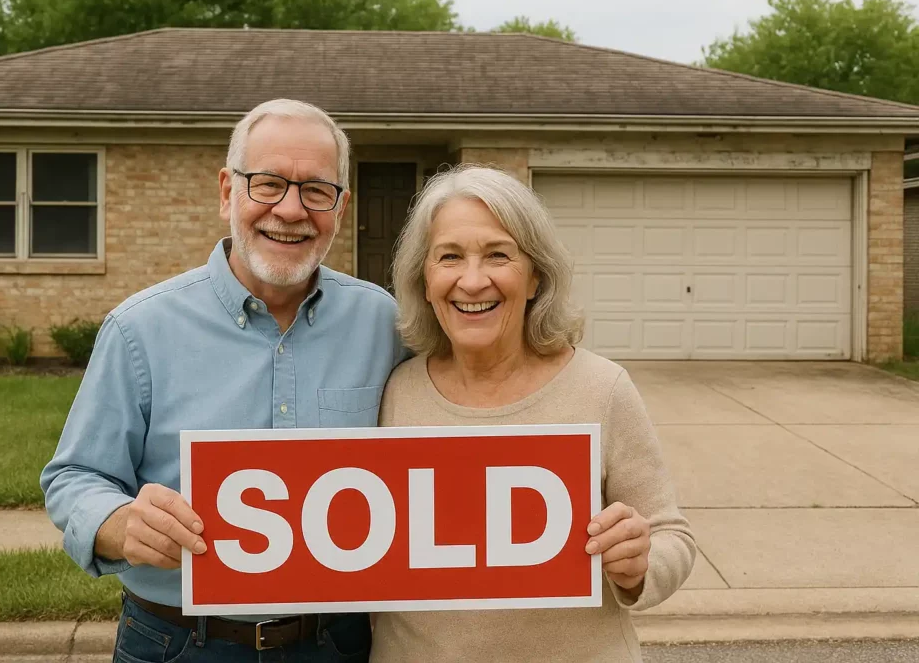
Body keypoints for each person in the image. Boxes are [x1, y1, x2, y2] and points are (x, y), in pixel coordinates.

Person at [41, 99, 407, 663]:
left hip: (338, 640)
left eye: (316, 190)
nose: (290, 210)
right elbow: (74, 477)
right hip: (177, 641)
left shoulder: (383, 324)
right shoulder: (139, 329)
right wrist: (118, 523)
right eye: (268, 184)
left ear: (341, 205)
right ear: (225, 191)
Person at [370, 165, 696, 663]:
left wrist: (639, 561)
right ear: (425, 277)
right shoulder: (397, 389)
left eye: (498, 255)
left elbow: (671, 536)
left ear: (535, 274)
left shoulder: (600, 387)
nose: (472, 281)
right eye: (449, 257)